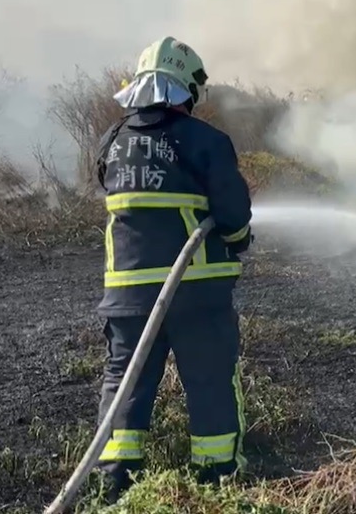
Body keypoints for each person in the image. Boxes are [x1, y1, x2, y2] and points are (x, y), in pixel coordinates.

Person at [92, 37, 254, 501]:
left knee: (125, 383)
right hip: (194, 291)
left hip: (126, 296)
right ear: (185, 88)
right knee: (208, 380)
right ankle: (217, 474)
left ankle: (116, 478)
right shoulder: (206, 141)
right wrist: (240, 242)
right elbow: (232, 216)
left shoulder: (112, 141)